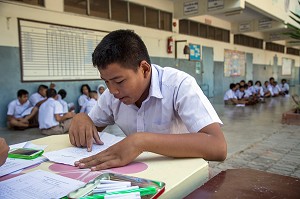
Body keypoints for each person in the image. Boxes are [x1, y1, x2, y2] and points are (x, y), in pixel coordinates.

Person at [69, 29, 227, 171]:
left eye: (119, 81)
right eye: (106, 82)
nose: (112, 90)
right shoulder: (112, 95)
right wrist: (82, 118)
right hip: (141, 175)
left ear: (144, 69)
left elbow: (218, 147)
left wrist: (141, 141)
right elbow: (91, 127)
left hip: (183, 175)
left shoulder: (178, 85)